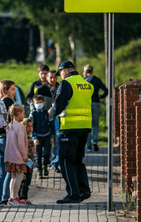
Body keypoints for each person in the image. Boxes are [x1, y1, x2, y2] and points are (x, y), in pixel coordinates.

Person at [49, 61, 93, 204]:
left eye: (59, 73)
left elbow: (59, 104)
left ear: (65, 71)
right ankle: (84, 190)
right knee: (78, 160)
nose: (59, 77)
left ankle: (73, 194)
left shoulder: (67, 83)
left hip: (70, 128)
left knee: (66, 161)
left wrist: (51, 113)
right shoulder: (86, 84)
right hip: (85, 127)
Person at [0, 80, 16, 204]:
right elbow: (14, 122)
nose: (14, 92)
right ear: (5, 90)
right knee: (9, 171)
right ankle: (5, 197)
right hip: (6, 139)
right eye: (12, 89)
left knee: (1, 171)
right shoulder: (8, 101)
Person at [4, 104, 29, 206]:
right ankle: (14, 198)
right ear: (17, 113)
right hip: (18, 157)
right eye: (22, 113)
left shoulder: (9, 126)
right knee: (19, 177)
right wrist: (25, 156)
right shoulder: (21, 127)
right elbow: (21, 144)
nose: (24, 115)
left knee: (13, 177)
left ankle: (11, 197)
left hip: (10, 156)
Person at [83, 64, 108, 152]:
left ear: (85, 72)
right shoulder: (97, 80)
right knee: (95, 124)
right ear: (92, 71)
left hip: (87, 103)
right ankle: (95, 141)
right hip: (96, 103)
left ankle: (89, 145)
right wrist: (101, 96)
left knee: (88, 124)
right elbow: (106, 90)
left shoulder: (83, 80)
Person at [30, 94, 54, 178]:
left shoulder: (47, 113)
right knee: (38, 155)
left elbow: (52, 125)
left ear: (43, 103)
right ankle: (39, 170)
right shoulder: (33, 115)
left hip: (47, 136)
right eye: (37, 102)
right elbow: (31, 127)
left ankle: (45, 166)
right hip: (38, 137)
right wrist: (34, 137)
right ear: (34, 103)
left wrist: (52, 136)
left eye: (40, 102)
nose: (39, 104)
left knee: (47, 153)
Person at [19, 118, 34, 204]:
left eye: (31, 126)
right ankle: (21, 197)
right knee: (22, 182)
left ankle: (25, 196)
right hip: (23, 163)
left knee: (28, 181)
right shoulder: (22, 138)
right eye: (27, 126)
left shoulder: (30, 137)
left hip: (30, 163)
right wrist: (29, 150)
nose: (30, 128)